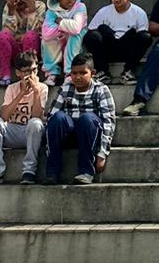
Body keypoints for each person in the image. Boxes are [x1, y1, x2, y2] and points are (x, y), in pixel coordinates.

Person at [44, 52, 116, 186]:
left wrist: (102, 154)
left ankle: (86, 172)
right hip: (68, 134)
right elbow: (51, 118)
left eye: (83, 73)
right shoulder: (65, 88)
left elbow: (108, 122)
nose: (77, 77)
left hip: (90, 134)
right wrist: (49, 149)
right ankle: (52, 172)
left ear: (92, 73)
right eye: (74, 73)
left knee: (87, 119)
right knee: (58, 118)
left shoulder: (101, 90)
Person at [0, 48, 47, 184]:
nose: (32, 74)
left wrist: (36, 92)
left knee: (35, 123)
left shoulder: (43, 88)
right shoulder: (12, 88)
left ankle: (29, 171)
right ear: (18, 73)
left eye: (34, 70)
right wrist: (21, 94)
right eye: (27, 71)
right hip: (13, 130)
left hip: (31, 133)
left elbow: (37, 115)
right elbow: (4, 116)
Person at [84, 0, 152, 82]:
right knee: (93, 34)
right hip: (109, 49)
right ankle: (103, 71)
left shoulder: (139, 13)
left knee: (145, 36)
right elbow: (91, 34)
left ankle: (128, 72)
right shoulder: (104, 12)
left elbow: (142, 37)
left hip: (128, 50)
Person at [40, 0, 88, 85]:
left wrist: (60, 22)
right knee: (46, 40)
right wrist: (66, 28)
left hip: (77, 47)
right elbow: (46, 33)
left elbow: (76, 28)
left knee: (74, 35)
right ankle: (52, 73)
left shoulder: (80, 7)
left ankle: (69, 73)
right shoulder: (52, 11)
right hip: (59, 44)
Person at [0, 0, 43, 87]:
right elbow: (8, 32)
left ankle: (29, 73)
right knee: (2, 35)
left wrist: (31, 11)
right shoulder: (9, 7)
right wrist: (12, 12)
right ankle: (5, 75)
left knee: (30, 36)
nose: (20, 4)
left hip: (33, 50)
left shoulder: (40, 6)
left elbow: (37, 31)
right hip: (15, 50)